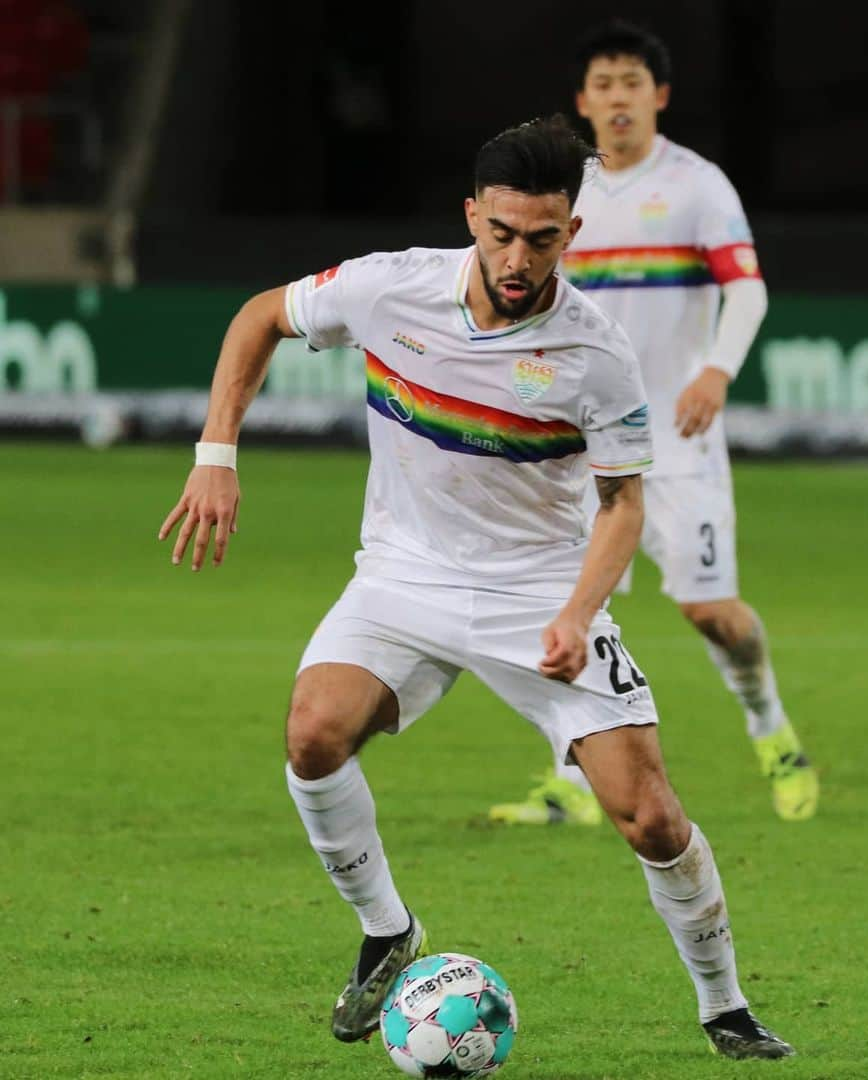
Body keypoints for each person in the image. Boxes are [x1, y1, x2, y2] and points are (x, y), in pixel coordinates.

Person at [158, 116, 793, 1061]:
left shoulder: (596, 355)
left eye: (541, 239)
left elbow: (622, 505)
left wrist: (579, 613)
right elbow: (261, 315)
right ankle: (387, 931)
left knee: (650, 817)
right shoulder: (389, 287)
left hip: (536, 596)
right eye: (500, 233)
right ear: (472, 216)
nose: (517, 257)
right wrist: (216, 455)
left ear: (571, 234)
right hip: (402, 575)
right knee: (312, 734)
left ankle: (725, 1006)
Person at [490, 22, 819, 829]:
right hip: (578, 448)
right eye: (602, 83)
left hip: (676, 442)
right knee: (570, 611)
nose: (617, 97)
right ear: (582, 100)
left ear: (659, 95)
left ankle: (771, 728)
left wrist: (717, 369)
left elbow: (746, 290)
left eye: (632, 82)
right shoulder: (567, 195)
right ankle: (572, 781)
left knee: (712, 613)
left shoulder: (698, 186)